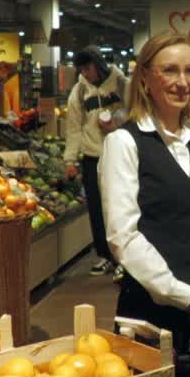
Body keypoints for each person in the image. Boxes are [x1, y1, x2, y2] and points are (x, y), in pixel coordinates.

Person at [98, 31, 190, 354]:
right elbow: (123, 236)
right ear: (145, 78)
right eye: (170, 70)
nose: (183, 82)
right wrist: (182, 294)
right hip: (150, 314)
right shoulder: (124, 143)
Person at [63, 45, 127, 276]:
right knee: (97, 209)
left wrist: (117, 122)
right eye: (81, 69)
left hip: (120, 154)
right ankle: (104, 255)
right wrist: (70, 160)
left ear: (98, 64)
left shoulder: (121, 83)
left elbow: (136, 112)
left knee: (121, 206)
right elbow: (73, 128)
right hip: (92, 156)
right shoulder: (80, 91)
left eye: (88, 68)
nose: (85, 73)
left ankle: (124, 257)